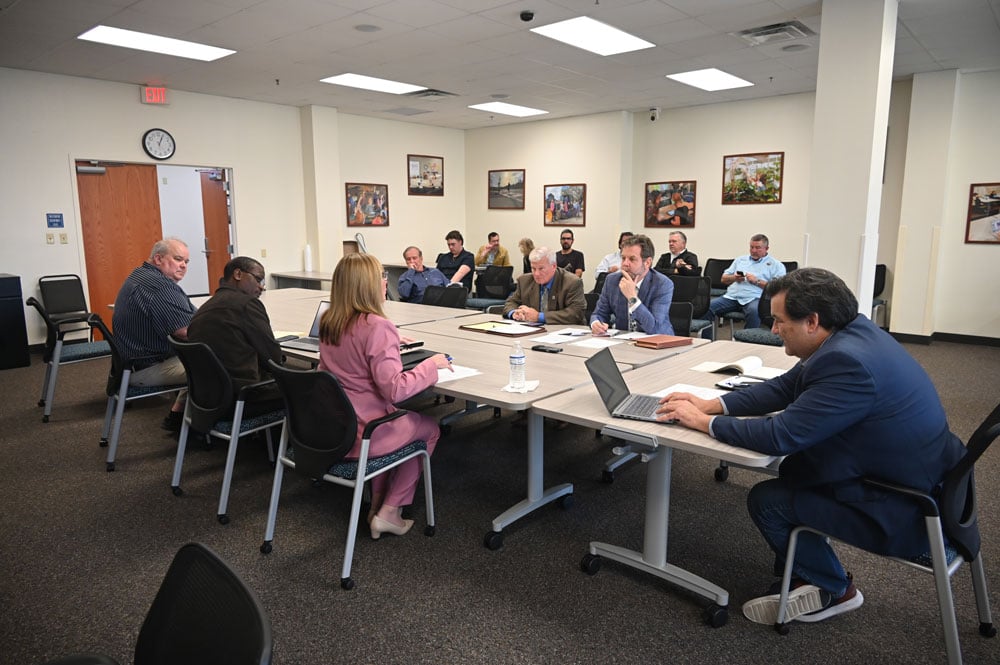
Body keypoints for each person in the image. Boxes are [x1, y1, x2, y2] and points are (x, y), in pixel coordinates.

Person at [657, 268, 967, 625]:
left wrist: (702, 422)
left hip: (905, 507)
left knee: (768, 501)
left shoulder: (846, 363)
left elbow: (779, 436)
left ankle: (834, 588)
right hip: (922, 474)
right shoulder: (854, 334)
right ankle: (804, 573)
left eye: (779, 321)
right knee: (795, 470)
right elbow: (786, 387)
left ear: (812, 322)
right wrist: (713, 404)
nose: (774, 330)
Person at [318, 253, 452, 539]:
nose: (385, 281)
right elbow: (395, 390)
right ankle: (390, 510)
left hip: (337, 428)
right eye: (381, 276)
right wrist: (431, 365)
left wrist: (390, 342)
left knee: (395, 424)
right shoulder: (377, 326)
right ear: (368, 284)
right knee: (428, 430)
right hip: (367, 432)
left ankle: (377, 501)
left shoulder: (329, 321)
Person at [112, 237, 196, 431]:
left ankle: (177, 415)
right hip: (147, 368)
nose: (183, 266)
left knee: (203, 358)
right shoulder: (161, 287)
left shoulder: (140, 275)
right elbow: (185, 332)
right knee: (218, 363)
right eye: (178, 259)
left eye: (186, 261)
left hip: (129, 365)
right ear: (158, 259)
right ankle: (199, 428)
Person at [186, 256, 284, 415]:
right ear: (238, 274)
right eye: (258, 279)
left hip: (205, 399)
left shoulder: (204, 308)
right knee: (310, 386)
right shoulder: (247, 304)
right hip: (242, 398)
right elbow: (273, 358)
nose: (261, 287)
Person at [590, 234, 675, 335]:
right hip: (624, 340)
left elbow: (654, 328)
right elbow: (599, 313)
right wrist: (596, 323)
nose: (625, 264)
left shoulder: (662, 284)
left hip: (658, 340)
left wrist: (632, 298)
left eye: (632, 259)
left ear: (647, 263)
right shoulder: (612, 280)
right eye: (623, 258)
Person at [708, 234, 786, 329]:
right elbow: (723, 279)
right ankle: (707, 337)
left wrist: (757, 281)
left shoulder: (776, 265)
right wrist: (734, 278)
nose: (754, 250)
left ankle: (748, 337)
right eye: (751, 247)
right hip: (732, 297)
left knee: (754, 311)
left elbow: (777, 288)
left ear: (766, 248)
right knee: (708, 307)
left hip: (755, 298)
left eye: (758, 248)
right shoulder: (740, 260)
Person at [502, 246, 586, 324]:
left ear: (553, 266)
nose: (536, 274)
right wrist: (514, 313)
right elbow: (511, 302)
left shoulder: (572, 282)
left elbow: (576, 313)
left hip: (565, 331)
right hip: (533, 331)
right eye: (533, 269)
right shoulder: (524, 281)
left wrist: (539, 317)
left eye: (541, 269)